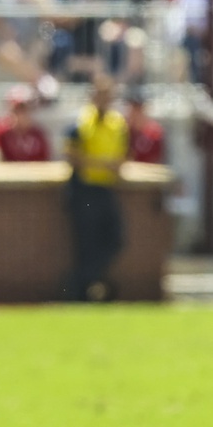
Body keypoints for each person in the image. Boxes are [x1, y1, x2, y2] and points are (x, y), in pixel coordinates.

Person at [63, 76, 129, 300]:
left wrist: (113, 166)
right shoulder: (81, 122)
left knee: (115, 238)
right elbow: (71, 157)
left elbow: (122, 155)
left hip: (106, 188)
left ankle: (88, 280)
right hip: (84, 188)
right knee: (86, 241)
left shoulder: (117, 123)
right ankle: (83, 291)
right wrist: (102, 164)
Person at [0, 86, 52, 162]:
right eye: (17, 110)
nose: (21, 115)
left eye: (24, 110)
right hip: (6, 173)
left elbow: (44, 160)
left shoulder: (37, 134)